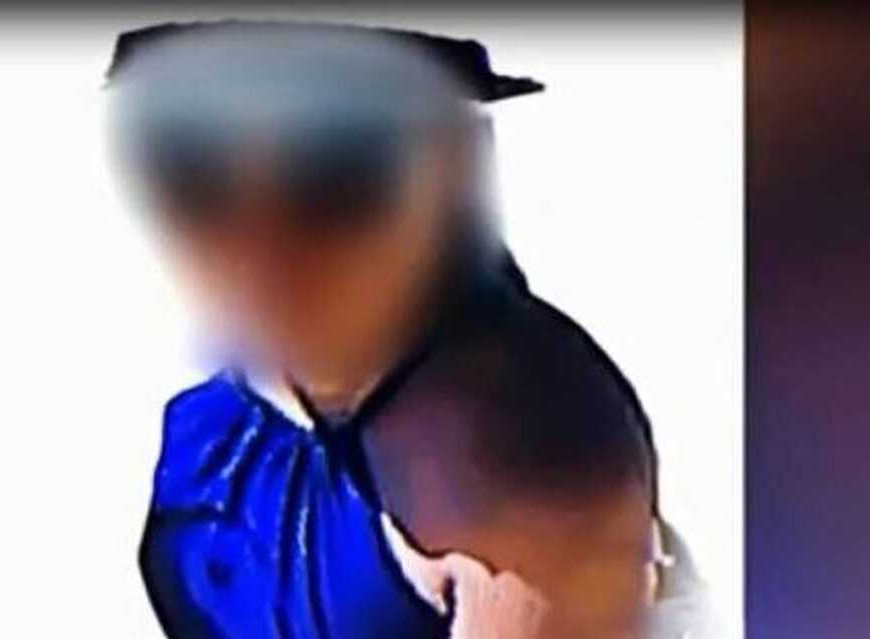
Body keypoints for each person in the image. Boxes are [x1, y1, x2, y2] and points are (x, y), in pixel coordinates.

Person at [106, 20, 714, 638]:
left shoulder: (516, 461)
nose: (257, 246)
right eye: (194, 161)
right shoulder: (222, 408)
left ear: (456, 164)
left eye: (332, 165)